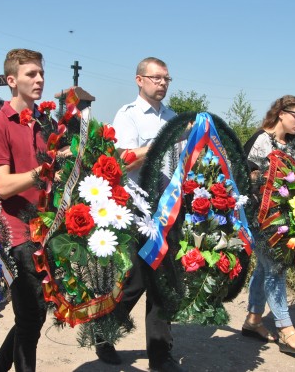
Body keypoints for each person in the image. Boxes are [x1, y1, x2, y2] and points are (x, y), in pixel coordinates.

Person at [100, 57, 185, 372]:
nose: (162, 83)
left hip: (169, 210)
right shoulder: (128, 116)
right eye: (156, 78)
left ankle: (160, 355)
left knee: (163, 283)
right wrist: (162, 142)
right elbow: (125, 160)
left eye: (166, 79)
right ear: (139, 80)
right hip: (138, 210)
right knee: (134, 282)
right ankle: (104, 331)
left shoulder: (174, 118)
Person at [0, 49, 52, 372]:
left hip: (47, 231)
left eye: (41, 73)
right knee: (30, 316)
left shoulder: (46, 123)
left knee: (36, 314)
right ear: (11, 80)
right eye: (30, 74)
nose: (39, 80)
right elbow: (2, 185)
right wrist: (45, 170)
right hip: (16, 235)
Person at [241, 95, 295, 354]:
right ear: (281, 113)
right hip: (260, 217)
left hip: (286, 219)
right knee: (276, 267)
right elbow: (243, 177)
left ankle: (253, 321)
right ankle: (286, 328)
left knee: (265, 268)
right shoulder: (260, 141)